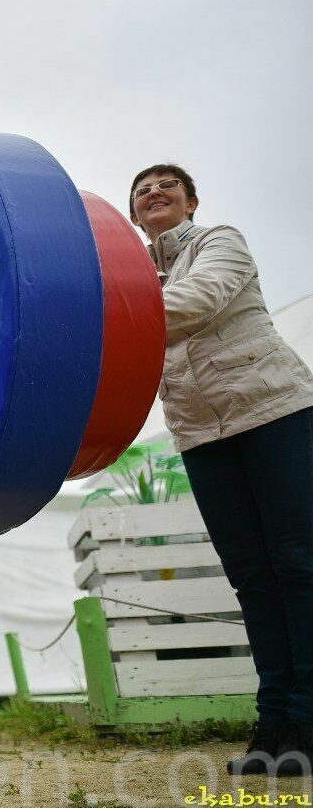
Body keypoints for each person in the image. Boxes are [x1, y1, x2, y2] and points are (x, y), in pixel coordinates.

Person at [130, 164, 313, 777]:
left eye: (166, 184)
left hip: (275, 414)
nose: (154, 191)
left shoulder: (218, 242)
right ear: (133, 214)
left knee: (300, 566)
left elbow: (196, 301)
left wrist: (105, 310)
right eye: (143, 188)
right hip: (202, 437)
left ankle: (308, 723)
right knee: (253, 581)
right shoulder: (132, 279)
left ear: (190, 203)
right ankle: (275, 725)